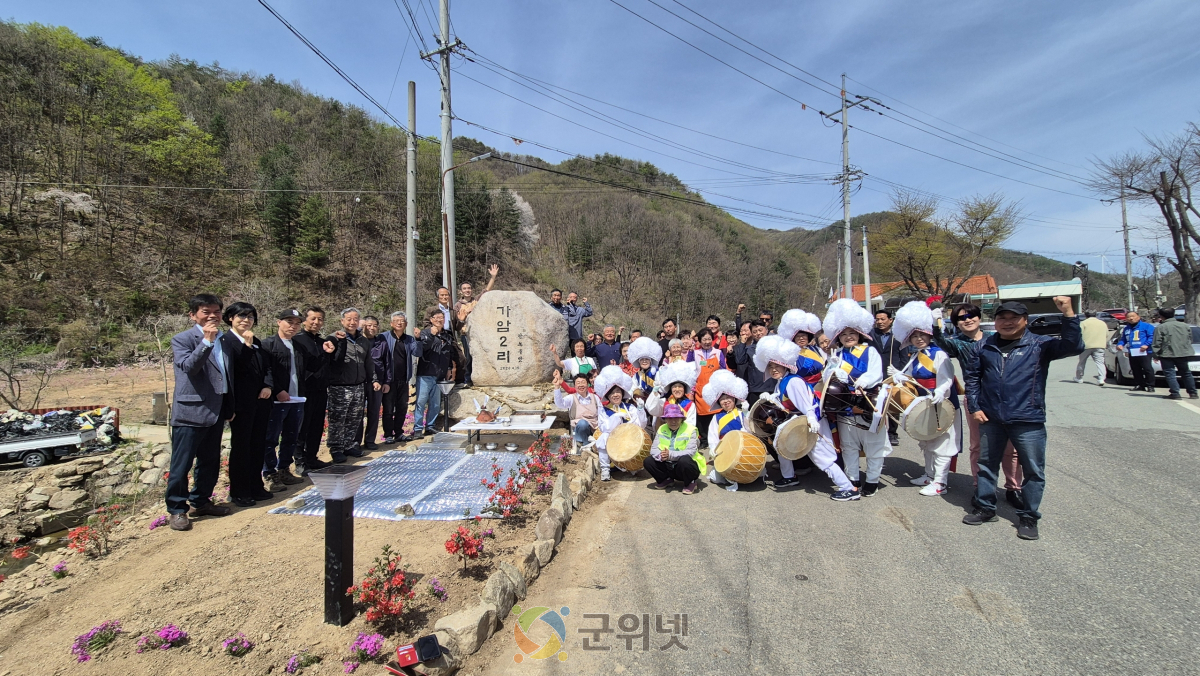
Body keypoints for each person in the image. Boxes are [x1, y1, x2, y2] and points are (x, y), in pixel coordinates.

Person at [963, 297, 1082, 541]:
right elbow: (973, 379)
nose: (1007, 322)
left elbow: (1073, 346)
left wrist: (1069, 314)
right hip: (991, 418)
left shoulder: (1040, 344)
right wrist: (975, 406)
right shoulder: (984, 346)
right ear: (994, 321)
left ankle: (1028, 516)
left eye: (1013, 318)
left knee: (1033, 470)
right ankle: (986, 507)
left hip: (1027, 418)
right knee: (986, 465)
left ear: (1025, 321)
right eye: (1002, 318)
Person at [933, 303, 1023, 507]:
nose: (968, 320)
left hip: (1005, 399)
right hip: (977, 399)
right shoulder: (958, 343)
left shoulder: (996, 340)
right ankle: (980, 487)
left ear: (979, 318)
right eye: (961, 318)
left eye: (971, 315)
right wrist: (936, 325)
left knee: (1012, 447)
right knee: (979, 446)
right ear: (956, 323)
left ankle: (1013, 487)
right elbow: (940, 342)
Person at [754, 335, 860, 500]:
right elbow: (784, 402)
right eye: (771, 367)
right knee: (781, 447)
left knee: (822, 458)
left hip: (811, 423)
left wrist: (811, 419)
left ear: (785, 365)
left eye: (777, 366)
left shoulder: (793, 381)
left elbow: (808, 404)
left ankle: (849, 488)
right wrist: (771, 398)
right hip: (798, 423)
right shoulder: (782, 381)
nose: (774, 369)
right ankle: (789, 477)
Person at [165, 294, 234, 531]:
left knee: (210, 461)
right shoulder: (183, 339)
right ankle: (177, 509)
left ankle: (201, 501)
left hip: (215, 410)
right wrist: (206, 342)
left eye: (216, 311)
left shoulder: (224, 339)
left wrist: (228, 406)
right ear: (193, 315)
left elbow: (226, 376)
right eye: (206, 312)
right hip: (190, 411)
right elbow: (189, 368)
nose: (213, 316)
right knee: (181, 464)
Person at [890, 301, 962, 497]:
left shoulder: (939, 353)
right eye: (915, 335)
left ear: (930, 334)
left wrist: (940, 391)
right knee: (928, 442)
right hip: (925, 405)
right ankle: (929, 475)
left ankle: (941, 482)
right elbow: (912, 378)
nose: (919, 338)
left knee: (942, 444)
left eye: (922, 335)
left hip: (944, 405)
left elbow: (947, 379)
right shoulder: (917, 356)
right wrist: (899, 375)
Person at [823, 299, 890, 496]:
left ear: (859, 333)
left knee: (873, 445)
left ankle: (872, 480)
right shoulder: (837, 355)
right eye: (843, 334)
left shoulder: (870, 351)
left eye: (851, 333)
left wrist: (863, 381)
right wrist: (832, 371)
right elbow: (827, 377)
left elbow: (876, 373)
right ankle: (852, 478)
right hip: (845, 405)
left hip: (867, 401)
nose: (848, 337)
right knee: (848, 445)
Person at [219, 302, 279, 500]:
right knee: (242, 447)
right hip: (241, 404)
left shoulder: (256, 341)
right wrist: (246, 347)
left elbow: (267, 367)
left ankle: (256, 486)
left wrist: (268, 386)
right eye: (241, 316)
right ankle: (239, 491)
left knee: (257, 444)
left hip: (260, 402)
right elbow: (234, 371)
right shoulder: (225, 341)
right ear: (230, 318)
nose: (246, 320)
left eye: (250, 317)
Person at [262, 309, 322, 485]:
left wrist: (326, 351)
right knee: (271, 438)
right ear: (278, 322)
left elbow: (312, 367)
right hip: (277, 400)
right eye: (289, 321)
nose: (293, 326)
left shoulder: (298, 346)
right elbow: (267, 371)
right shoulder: (268, 344)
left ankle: (284, 470)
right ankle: (269, 473)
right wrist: (277, 390)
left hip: (297, 399)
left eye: (296, 323)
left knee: (291, 437)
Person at [326, 308, 378, 461]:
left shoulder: (363, 341)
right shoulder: (335, 338)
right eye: (349, 319)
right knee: (338, 419)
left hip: (359, 385)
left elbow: (368, 362)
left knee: (355, 418)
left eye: (355, 319)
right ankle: (336, 448)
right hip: (340, 386)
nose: (352, 322)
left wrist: (373, 379)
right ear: (342, 321)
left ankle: (350, 445)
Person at [699, 370, 753, 491]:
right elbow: (712, 436)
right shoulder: (716, 417)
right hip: (725, 450)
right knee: (716, 478)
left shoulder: (741, 413)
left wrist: (746, 414)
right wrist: (713, 449)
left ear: (734, 399)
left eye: (728, 397)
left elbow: (751, 430)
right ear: (719, 403)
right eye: (722, 399)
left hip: (742, 447)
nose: (726, 401)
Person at [293, 307, 333, 471]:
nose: (316, 322)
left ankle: (311, 457)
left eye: (320, 319)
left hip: (321, 389)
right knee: (302, 427)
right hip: (304, 391)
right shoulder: (297, 340)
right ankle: (300, 461)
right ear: (305, 320)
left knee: (316, 426)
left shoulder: (321, 342)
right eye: (313, 318)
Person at [593, 365, 647, 482]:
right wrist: (617, 417)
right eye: (612, 393)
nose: (615, 395)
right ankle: (605, 469)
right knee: (603, 438)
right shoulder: (604, 409)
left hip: (628, 438)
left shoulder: (630, 407)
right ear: (608, 396)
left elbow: (640, 425)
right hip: (612, 438)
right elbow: (604, 427)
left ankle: (632, 464)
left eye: (618, 392)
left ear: (622, 394)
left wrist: (641, 410)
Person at [413, 306, 456, 437]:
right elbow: (422, 350)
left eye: (441, 318)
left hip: (440, 375)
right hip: (426, 373)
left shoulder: (447, 335)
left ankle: (430, 426)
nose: (439, 320)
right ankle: (418, 429)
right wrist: (431, 335)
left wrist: (449, 368)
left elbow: (448, 354)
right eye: (436, 318)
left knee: (435, 403)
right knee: (421, 401)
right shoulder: (425, 333)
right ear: (431, 320)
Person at [454, 263, 499, 387]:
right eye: (464, 289)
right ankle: (468, 379)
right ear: (461, 291)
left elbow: (487, 291)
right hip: (466, 334)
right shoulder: (458, 305)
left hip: (479, 334)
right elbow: (456, 321)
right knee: (468, 356)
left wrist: (493, 277)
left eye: (469, 288)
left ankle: (480, 378)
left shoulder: (476, 300)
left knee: (481, 357)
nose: (467, 290)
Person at [870, 308, 910, 446]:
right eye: (877, 319)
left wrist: (901, 372)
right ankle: (876, 430)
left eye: (883, 319)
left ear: (890, 320)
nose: (880, 322)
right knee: (875, 403)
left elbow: (904, 355)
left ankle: (892, 433)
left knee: (892, 404)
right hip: (875, 374)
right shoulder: (871, 334)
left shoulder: (898, 335)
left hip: (893, 373)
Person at [644, 403, 703, 494]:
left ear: (682, 419)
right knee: (648, 461)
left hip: (684, 467)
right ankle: (666, 479)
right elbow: (654, 449)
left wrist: (670, 455)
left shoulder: (691, 430)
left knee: (685, 460)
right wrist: (660, 456)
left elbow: (691, 452)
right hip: (668, 464)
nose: (673, 421)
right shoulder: (661, 429)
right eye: (670, 418)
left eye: (676, 418)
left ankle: (690, 482)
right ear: (665, 420)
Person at [380, 311, 418, 443]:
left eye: (402, 321)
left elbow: (417, 352)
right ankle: (388, 434)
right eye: (397, 321)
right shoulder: (383, 337)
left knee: (402, 408)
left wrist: (418, 339)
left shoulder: (409, 339)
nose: (399, 323)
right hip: (388, 381)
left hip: (403, 379)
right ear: (391, 323)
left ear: (406, 324)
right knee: (388, 409)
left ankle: (399, 433)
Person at [688, 328, 729, 448]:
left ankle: (717, 438)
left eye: (709, 339)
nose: (707, 342)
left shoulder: (718, 353)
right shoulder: (695, 353)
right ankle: (704, 440)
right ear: (699, 341)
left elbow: (723, 370)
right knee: (702, 416)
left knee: (715, 414)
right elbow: (689, 369)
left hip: (714, 389)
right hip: (699, 389)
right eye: (704, 339)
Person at [1151, 307, 1198, 400]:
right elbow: (1190, 339)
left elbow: (1157, 342)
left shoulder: (1161, 327)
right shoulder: (1185, 325)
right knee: (1186, 373)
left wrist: (1155, 354)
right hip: (1183, 353)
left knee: (1170, 373)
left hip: (1167, 353)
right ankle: (1193, 393)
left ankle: (1175, 393)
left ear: (1161, 316)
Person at [553, 370, 603, 453]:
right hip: (579, 430)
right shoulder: (571, 398)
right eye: (578, 383)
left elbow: (601, 414)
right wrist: (557, 387)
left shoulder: (595, 398)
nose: (581, 385)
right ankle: (586, 447)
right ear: (575, 386)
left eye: (583, 382)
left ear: (588, 384)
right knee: (583, 423)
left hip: (594, 430)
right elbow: (560, 404)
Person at [358, 316, 385, 450]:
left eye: (374, 325)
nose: (371, 328)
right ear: (363, 326)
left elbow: (387, 363)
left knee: (374, 412)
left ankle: (370, 440)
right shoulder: (357, 341)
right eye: (369, 325)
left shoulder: (381, 342)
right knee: (357, 414)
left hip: (377, 382)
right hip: (360, 382)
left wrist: (386, 381)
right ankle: (355, 443)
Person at [646, 361, 699, 429]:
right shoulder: (664, 402)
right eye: (674, 387)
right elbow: (651, 409)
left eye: (680, 386)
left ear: (684, 389)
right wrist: (654, 392)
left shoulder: (690, 405)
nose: (677, 389)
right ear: (670, 389)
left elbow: (691, 425)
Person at [1116, 311, 1156, 392]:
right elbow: (1123, 339)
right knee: (1135, 369)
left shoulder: (1146, 326)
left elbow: (1152, 337)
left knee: (1147, 369)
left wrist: (1146, 345)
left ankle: (1150, 385)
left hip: (1145, 351)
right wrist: (1120, 344)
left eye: (1133, 316)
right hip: (1133, 351)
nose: (1131, 318)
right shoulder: (1126, 328)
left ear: (1138, 317)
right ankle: (1139, 384)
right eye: (1128, 317)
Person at [1074, 311, 1109, 386]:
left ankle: (1079, 378)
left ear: (1085, 315)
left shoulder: (1083, 323)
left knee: (1082, 362)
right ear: (1095, 315)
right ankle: (1101, 379)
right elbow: (1107, 334)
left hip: (1086, 345)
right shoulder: (1102, 323)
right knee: (1100, 363)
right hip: (1100, 345)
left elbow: (1079, 334)